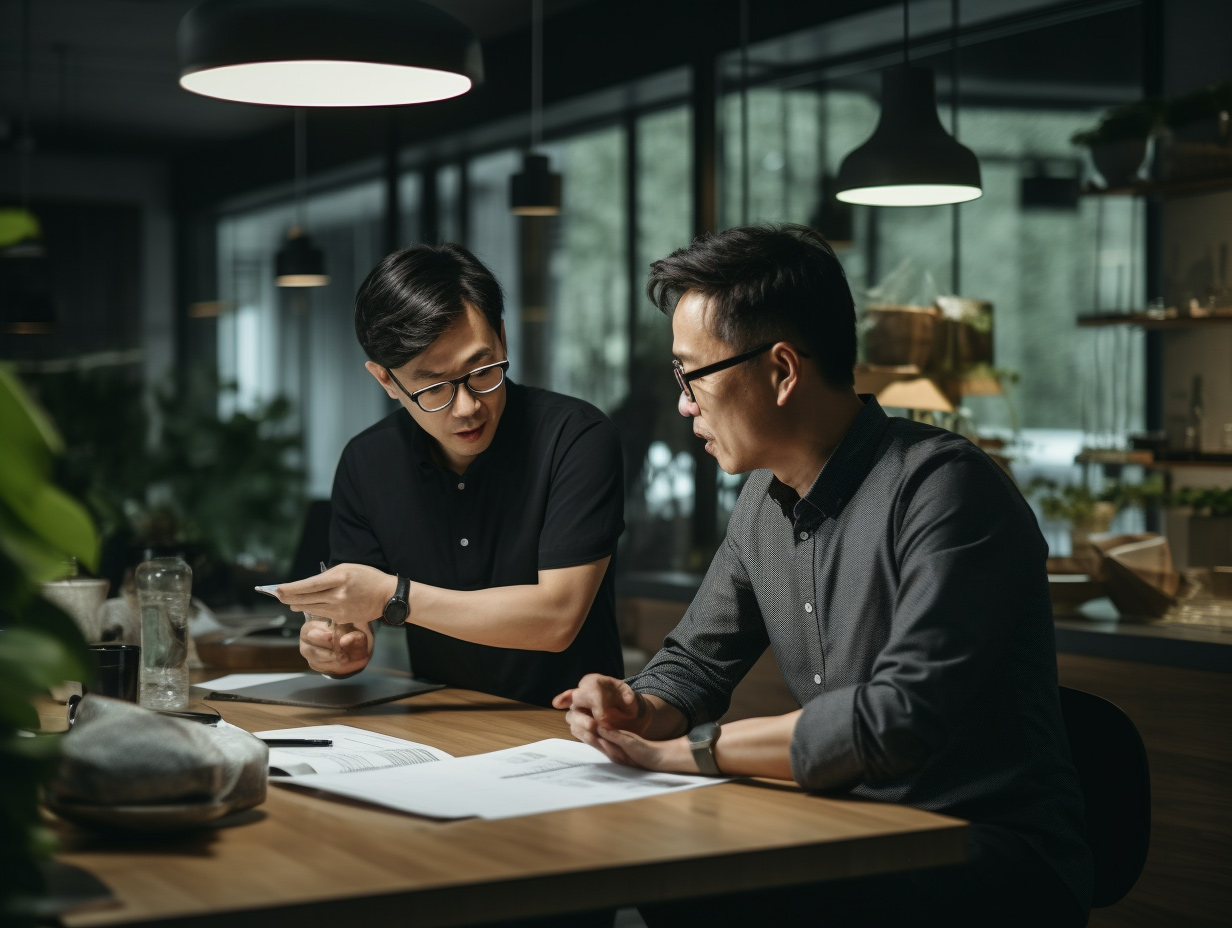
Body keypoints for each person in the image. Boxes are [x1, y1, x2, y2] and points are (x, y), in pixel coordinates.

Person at [553, 224, 1092, 927]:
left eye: (692, 374)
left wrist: (691, 751)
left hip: (980, 855)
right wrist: (635, 706)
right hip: (845, 829)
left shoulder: (947, 491)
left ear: (781, 370)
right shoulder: (762, 502)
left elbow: (896, 719)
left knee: (699, 890)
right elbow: (693, 664)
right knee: (671, 881)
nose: (683, 402)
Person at [275, 242, 625, 707]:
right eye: (434, 387)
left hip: (571, 728)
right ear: (385, 380)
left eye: (482, 370)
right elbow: (356, 616)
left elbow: (557, 619)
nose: (467, 407)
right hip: (443, 724)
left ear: (502, 337)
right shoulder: (367, 462)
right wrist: (339, 643)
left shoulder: (576, 438)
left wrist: (393, 596)